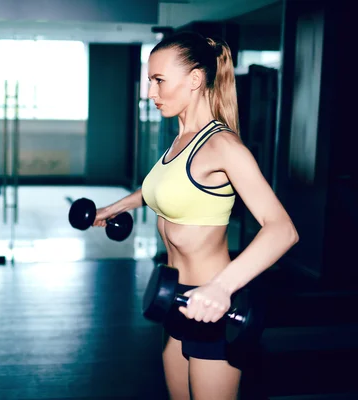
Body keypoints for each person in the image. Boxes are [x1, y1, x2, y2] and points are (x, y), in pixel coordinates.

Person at [93, 31, 299, 399]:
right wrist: (115, 207)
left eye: (159, 81)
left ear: (194, 80)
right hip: (173, 298)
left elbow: (282, 229)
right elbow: (165, 189)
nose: (151, 93)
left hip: (211, 305)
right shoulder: (178, 141)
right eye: (149, 81)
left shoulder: (222, 145)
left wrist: (223, 287)